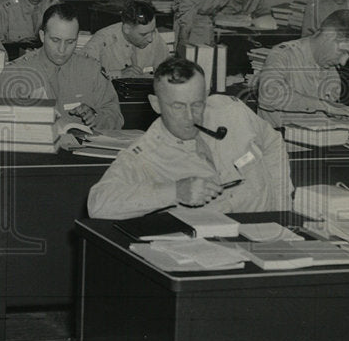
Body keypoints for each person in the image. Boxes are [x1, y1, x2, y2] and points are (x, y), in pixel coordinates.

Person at [88, 56, 292, 219]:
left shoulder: (230, 111)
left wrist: (281, 206)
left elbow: (272, 143)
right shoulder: (145, 154)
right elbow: (98, 203)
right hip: (215, 250)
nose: (190, 117)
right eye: (177, 106)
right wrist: (175, 191)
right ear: (156, 104)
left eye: (197, 104)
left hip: (269, 231)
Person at [0, 2, 123, 134]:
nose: (62, 50)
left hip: (84, 152)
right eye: (55, 40)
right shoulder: (17, 73)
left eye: (70, 42)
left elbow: (115, 116)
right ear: (42, 36)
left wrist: (96, 117)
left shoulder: (91, 69)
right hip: (33, 153)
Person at [257, 9, 349, 128]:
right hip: (279, 139)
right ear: (328, 35)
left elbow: (323, 111)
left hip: (315, 138)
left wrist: (337, 115)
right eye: (342, 52)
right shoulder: (284, 54)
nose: (343, 62)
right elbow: (268, 96)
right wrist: (325, 106)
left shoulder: (330, 68)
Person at [82, 0, 170, 79]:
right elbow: (84, 75)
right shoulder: (102, 40)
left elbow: (167, 71)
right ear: (126, 29)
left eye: (153, 31)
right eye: (143, 34)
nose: (150, 39)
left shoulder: (155, 37)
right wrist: (118, 74)